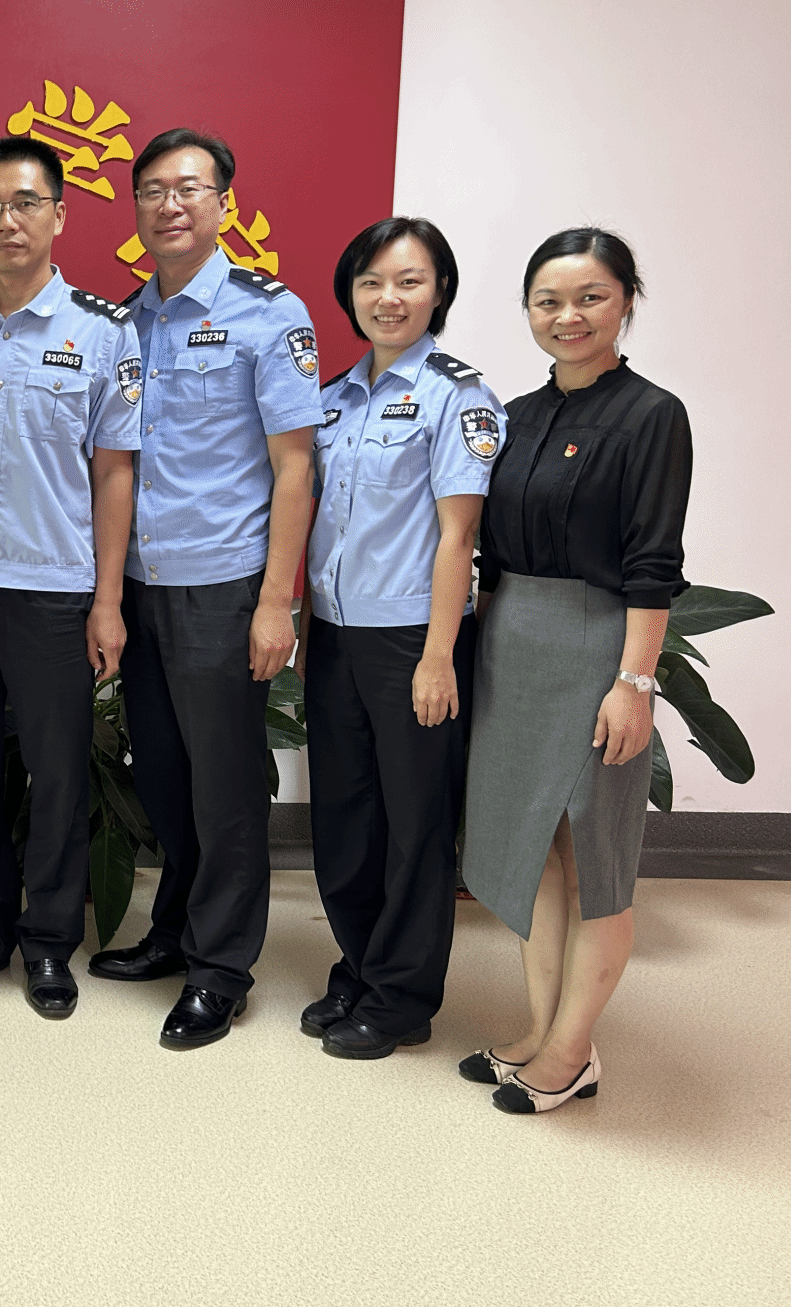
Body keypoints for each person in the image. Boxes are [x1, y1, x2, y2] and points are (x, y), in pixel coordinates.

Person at [87, 127, 320, 1050]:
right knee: (166, 777)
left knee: (225, 791)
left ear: (224, 202)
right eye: (152, 190)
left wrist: (275, 601)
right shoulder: (126, 322)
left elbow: (295, 468)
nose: (170, 204)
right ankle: (178, 932)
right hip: (142, 586)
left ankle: (221, 971)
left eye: (189, 188)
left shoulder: (270, 314)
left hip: (225, 586)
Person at [460, 228, 690, 1113]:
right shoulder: (516, 415)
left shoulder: (653, 415)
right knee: (535, 851)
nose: (568, 316)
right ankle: (541, 1028)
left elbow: (653, 561)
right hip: (513, 641)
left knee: (594, 854)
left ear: (627, 300)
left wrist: (635, 683)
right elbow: (485, 550)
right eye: (548, 300)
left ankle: (571, 1051)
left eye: (591, 297)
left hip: (599, 645)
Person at [0, 135, 140, 1021]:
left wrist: (107, 601)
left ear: (59, 215)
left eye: (25, 203)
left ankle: (48, 942)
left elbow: (114, 473)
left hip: (53, 591)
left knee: (58, 774)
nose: (7, 221)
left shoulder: (102, 332)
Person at [299, 217, 504, 1059]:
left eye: (409, 281)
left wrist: (437, 657)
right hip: (336, 636)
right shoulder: (335, 398)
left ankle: (402, 997)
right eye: (372, 281)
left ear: (439, 291)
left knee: (415, 822)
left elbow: (460, 537)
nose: (389, 298)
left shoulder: (459, 396)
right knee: (345, 815)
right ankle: (360, 966)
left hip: (414, 639)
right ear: (350, 293)